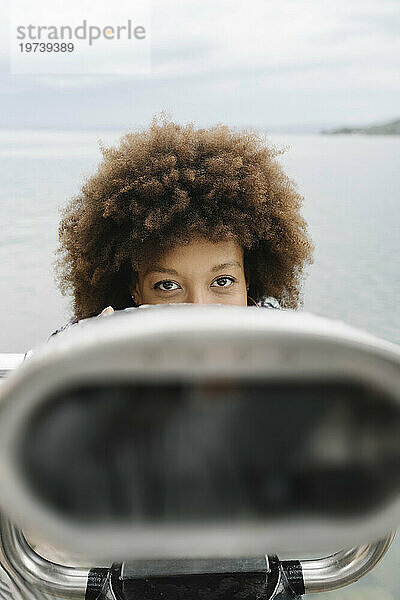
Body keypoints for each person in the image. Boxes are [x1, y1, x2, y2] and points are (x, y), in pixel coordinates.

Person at [54, 115, 313, 332]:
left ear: (248, 282)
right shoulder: (98, 336)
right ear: (135, 290)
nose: (199, 311)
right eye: (168, 286)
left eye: (222, 281)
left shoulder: (281, 336)